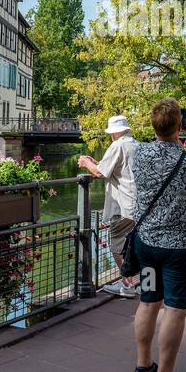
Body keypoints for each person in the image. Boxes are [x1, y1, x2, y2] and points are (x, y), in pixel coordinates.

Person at [127, 98, 186, 372]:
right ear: (179, 125)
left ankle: (143, 366)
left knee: (149, 301)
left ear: (153, 124)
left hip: (146, 247)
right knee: (175, 308)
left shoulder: (139, 154)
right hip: (178, 251)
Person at [77, 115, 138, 297]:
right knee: (139, 244)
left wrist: (86, 163)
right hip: (140, 205)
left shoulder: (117, 145)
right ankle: (148, 284)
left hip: (124, 206)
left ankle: (127, 285)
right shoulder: (136, 144)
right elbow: (111, 169)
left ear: (114, 132)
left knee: (116, 244)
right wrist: (97, 164)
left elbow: (100, 172)